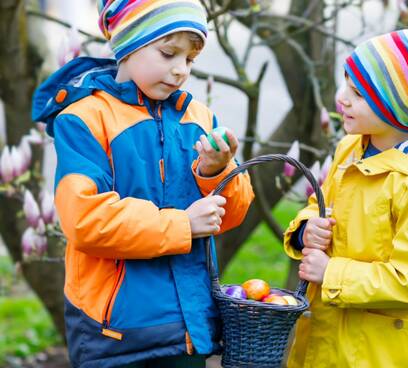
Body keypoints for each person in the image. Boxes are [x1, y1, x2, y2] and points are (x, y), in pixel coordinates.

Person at [31, 1, 254, 367]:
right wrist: (183, 224)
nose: (180, 70)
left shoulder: (198, 118)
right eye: (168, 53)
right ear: (128, 43)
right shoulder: (86, 119)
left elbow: (230, 214)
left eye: (190, 59)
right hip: (116, 333)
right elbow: (87, 221)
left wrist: (217, 171)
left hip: (187, 329)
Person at [283, 29, 408, 367]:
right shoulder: (352, 148)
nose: (341, 98)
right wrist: (305, 229)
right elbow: (322, 205)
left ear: (394, 108)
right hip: (328, 338)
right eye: (345, 84)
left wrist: (332, 273)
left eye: (357, 93)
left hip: (379, 351)